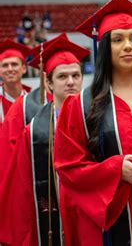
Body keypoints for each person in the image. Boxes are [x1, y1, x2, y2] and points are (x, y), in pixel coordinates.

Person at [54, 0, 132, 245]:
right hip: (106, 224)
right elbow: (67, 166)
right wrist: (115, 169)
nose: (128, 46)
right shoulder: (79, 106)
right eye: (118, 40)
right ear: (104, 46)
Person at [0, 37, 88, 246]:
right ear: (48, 82)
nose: (70, 82)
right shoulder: (31, 125)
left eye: (76, 75)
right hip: (50, 210)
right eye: (62, 76)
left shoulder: (95, 118)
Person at [0, 39, 31, 124]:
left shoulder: (33, 99)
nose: (10, 69)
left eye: (14, 64)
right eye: (5, 65)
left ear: (24, 68)